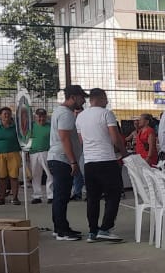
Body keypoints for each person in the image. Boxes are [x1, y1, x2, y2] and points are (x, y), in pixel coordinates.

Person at [72, 88, 126, 242]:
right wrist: (123, 152)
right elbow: (115, 138)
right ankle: (106, 228)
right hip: (106, 160)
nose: (107, 102)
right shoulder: (106, 114)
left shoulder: (80, 117)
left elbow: (81, 140)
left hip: (89, 162)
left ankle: (92, 231)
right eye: (106, 98)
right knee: (113, 194)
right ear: (100, 98)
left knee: (92, 198)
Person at [48, 85, 88, 241]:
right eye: (81, 98)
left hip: (58, 158)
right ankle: (61, 231)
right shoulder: (66, 114)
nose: (83, 101)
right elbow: (65, 138)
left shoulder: (60, 111)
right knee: (61, 196)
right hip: (62, 159)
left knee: (61, 195)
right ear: (73, 97)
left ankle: (60, 227)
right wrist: (73, 162)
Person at [0, 106, 22, 205]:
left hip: (14, 153)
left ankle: (15, 198)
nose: (7, 115)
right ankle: (2, 198)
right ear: (0, 115)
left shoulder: (16, 127)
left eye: (8, 113)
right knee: (2, 177)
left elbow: (23, 139)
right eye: (4, 114)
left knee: (14, 177)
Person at [27, 108, 51, 204]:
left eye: (43, 116)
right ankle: (37, 196)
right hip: (33, 153)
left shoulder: (50, 126)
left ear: (46, 117)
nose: (41, 119)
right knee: (35, 175)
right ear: (35, 117)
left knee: (50, 174)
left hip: (47, 152)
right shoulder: (30, 127)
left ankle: (51, 195)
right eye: (39, 117)